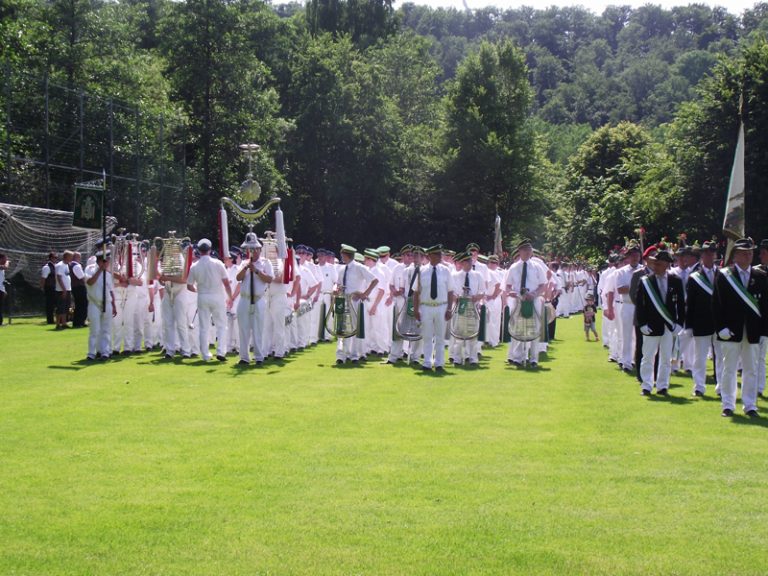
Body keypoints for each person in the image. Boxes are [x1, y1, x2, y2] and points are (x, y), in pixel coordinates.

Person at [713, 237, 768, 417]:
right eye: (745, 253)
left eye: (751, 253)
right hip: (730, 330)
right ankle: (728, 404)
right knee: (729, 368)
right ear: (735, 256)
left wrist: (764, 332)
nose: (749, 256)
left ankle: (750, 405)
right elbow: (716, 304)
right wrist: (721, 327)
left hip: (752, 331)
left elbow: (765, 306)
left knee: (751, 369)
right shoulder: (723, 275)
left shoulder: (760, 276)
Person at [635, 248, 686, 396]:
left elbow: (681, 304)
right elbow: (640, 305)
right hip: (650, 325)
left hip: (669, 325)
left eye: (659, 263)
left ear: (666, 265)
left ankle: (663, 386)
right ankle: (646, 385)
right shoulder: (646, 281)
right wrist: (642, 324)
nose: (655, 266)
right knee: (648, 356)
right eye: (655, 263)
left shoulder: (675, 281)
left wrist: (679, 323)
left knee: (665, 357)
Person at [186, 238, 234, 362]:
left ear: (199, 251)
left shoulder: (194, 266)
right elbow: (226, 283)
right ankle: (221, 352)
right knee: (221, 326)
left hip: (203, 296)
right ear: (210, 250)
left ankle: (205, 354)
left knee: (203, 327)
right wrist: (230, 297)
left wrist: (199, 291)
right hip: (217, 296)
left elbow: (189, 285)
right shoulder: (217, 263)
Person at [504, 239, 547, 367]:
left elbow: (543, 285)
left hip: (533, 300)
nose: (528, 252)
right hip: (518, 301)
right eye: (525, 250)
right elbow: (507, 286)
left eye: (530, 250)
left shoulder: (537, 267)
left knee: (534, 328)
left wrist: (534, 294)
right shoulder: (513, 267)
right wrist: (511, 293)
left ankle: (533, 358)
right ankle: (518, 358)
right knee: (518, 329)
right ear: (520, 251)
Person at [685, 239, 720, 397]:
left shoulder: (722, 274)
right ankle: (699, 386)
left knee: (720, 356)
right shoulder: (694, 277)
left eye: (712, 253)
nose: (709, 256)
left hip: (719, 323)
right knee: (699, 357)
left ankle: (721, 386)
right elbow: (690, 303)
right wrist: (689, 325)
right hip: (701, 321)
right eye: (706, 253)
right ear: (702, 255)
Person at [334, 244, 379, 364]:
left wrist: (365, 294)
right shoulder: (341, 269)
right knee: (341, 328)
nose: (342, 256)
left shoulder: (359, 267)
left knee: (354, 328)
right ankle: (341, 355)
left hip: (354, 301)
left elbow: (374, 280)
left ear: (347, 255)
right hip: (342, 300)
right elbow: (338, 283)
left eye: (343, 254)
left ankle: (354, 354)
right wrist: (336, 289)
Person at [413, 245, 454, 372]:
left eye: (440, 255)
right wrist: (416, 309)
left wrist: (449, 309)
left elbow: (450, 291)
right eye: (438, 255)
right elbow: (416, 292)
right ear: (430, 256)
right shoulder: (421, 271)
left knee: (440, 337)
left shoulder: (446, 271)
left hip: (441, 306)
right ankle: (427, 362)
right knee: (427, 336)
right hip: (426, 307)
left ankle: (439, 363)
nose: (440, 257)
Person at [235, 233, 273, 366]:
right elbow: (238, 278)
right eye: (250, 250)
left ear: (259, 249)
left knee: (258, 329)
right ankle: (244, 357)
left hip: (258, 299)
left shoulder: (265, 263)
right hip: (244, 299)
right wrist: (246, 267)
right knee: (243, 329)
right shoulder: (244, 263)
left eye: (254, 249)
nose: (252, 252)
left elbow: (269, 279)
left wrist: (256, 270)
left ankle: (259, 356)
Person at [84, 249, 117, 360]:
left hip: (106, 303)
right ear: (99, 261)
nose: (107, 263)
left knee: (106, 329)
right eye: (105, 261)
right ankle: (91, 353)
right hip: (94, 302)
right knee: (95, 329)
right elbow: (90, 282)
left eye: (107, 261)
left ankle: (105, 352)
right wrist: (99, 271)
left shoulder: (108, 275)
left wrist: (114, 305)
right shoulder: (90, 270)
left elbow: (111, 290)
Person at [54, 250, 73, 329]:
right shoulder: (60, 265)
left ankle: (64, 323)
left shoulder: (66, 265)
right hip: (61, 290)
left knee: (65, 307)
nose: (72, 258)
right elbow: (59, 277)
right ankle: (58, 324)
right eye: (71, 256)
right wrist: (64, 289)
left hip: (67, 289)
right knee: (60, 307)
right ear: (67, 257)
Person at [69, 252, 88, 328]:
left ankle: (79, 322)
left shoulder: (70, 265)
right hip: (79, 287)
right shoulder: (76, 266)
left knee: (79, 305)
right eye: (79, 257)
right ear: (76, 258)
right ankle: (79, 322)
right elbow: (81, 277)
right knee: (82, 304)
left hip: (75, 287)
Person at [0, 253, 8, 326]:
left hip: (1, 289)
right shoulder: (2, 267)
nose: (6, 260)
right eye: (5, 259)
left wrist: (4, 290)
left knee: (1, 307)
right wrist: (7, 262)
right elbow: (5, 267)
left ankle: (0, 322)